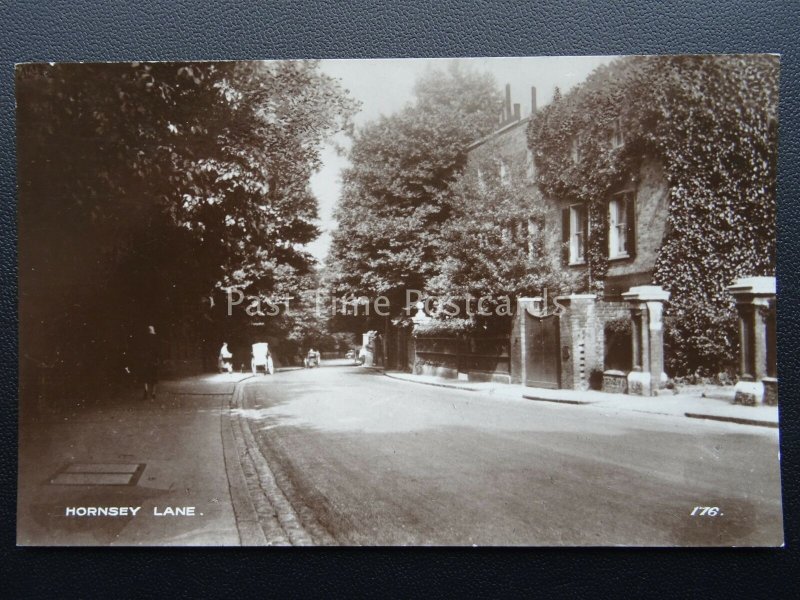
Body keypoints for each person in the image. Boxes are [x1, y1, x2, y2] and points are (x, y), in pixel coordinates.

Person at [140, 325, 159, 400]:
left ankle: (146, 390)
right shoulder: (156, 339)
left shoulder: (144, 340)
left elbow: (141, 351)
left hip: (146, 360)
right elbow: (158, 351)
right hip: (154, 360)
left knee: (145, 377)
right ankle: (153, 393)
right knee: (154, 377)